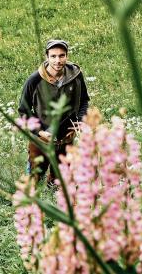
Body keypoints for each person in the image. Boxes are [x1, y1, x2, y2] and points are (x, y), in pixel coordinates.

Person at [18, 39, 90, 183]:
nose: (58, 60)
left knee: (61, 182)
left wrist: (80, 122)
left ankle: (56, 202)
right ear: (47, 57)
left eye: (62, 56)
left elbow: (84, 101)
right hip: (40, 142)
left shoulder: (76, 75)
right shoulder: (34, 80)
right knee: (34, 180)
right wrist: (39, 132)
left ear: (67, 56)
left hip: (66, 140)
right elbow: (24, 110)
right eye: (53, 56)